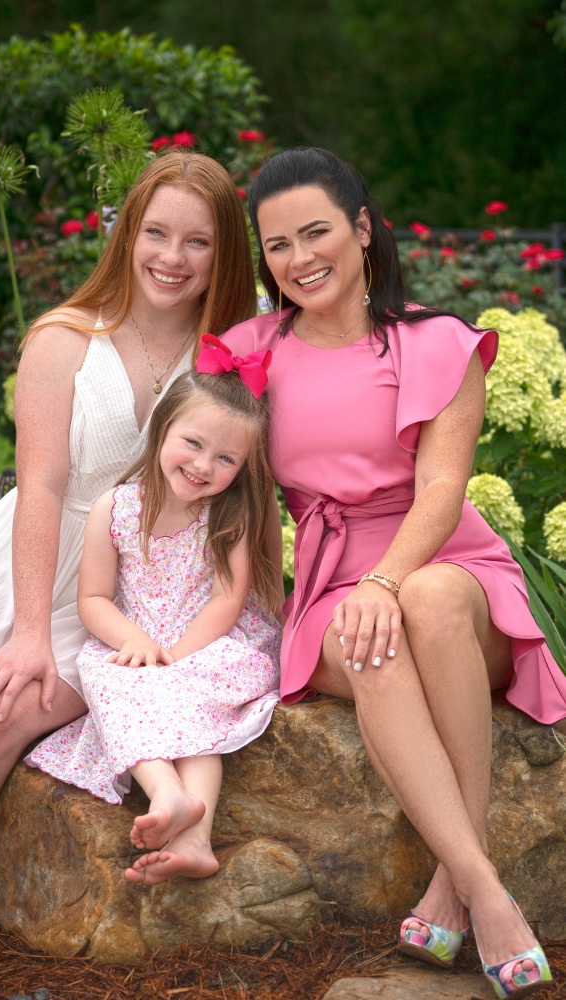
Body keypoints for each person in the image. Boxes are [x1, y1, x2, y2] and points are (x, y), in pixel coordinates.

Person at [0, 151, 257, 925]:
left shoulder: (227, 358)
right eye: (156, 233)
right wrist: (27, 633)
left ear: (223, 252)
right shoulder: (65, 338)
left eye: (198, 241)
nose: (173, 257)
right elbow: (42, 486)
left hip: (131, 591)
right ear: (127, 235)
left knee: (4, 717)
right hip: (30, 555)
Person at [221, 147, 564, 999]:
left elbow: (443, 491)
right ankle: (484, 889)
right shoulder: (247, 352)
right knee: (367, 640)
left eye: (317, 233)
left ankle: (454, 884)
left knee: (430, 599)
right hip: (331, 582)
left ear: (364, 229)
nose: (300, 259)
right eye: (277, 245)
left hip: (447, 563)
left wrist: (386, 582)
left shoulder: (436, 343)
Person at [25, 349, 282, 885]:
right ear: (163, 430)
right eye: (194, 443)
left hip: (210, 642)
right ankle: (168, 794)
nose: (203, 466)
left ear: (242, 468)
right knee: (105, 676)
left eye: (226, 459)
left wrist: (179, 658)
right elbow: (94, 599)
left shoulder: (228, 515)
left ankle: (195, 840)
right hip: (140, 638)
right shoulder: (116, 508)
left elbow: (227, 600)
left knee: (194, 712)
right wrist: (136, 641)